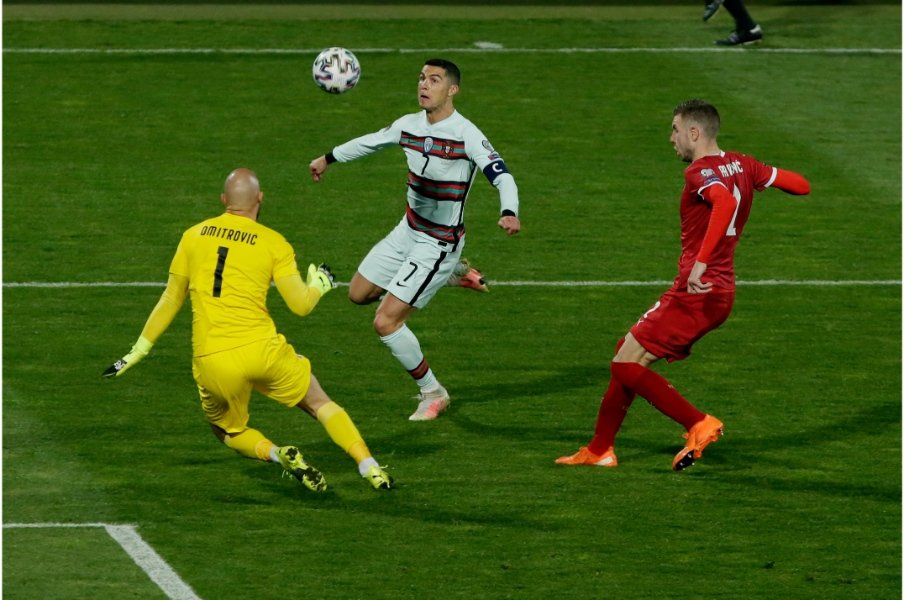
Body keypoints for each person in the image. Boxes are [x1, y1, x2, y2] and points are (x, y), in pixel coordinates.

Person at [102, 168, 393, 491]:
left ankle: (278, 454)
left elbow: (171, 298)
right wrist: (318, 285)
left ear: (223, 199)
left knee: (226, 430)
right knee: (318, 402)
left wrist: (138, 350)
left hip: (214, 358)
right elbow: (300, 305)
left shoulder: (193, 236)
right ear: (260, 198)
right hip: (263, 350)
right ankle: (369, 466)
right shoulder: (274, 243)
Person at [557, 99, 810, 471]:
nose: (671, 138)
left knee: (624, 365)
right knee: (628, 355)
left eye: (675, 129)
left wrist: (701, 264)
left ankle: (698, 423)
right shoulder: (744, 164)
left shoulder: (698, 173)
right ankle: (600, 449)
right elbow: (802, 186)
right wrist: (759, 176)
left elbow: (723, 204)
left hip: (696, 292)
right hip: (720, 293)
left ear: (694, 132)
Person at [309, 58, 521, 421]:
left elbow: (503, 176)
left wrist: (509, 211)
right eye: (422, 78)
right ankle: (454, 274)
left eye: (434, 80)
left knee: (385, 322)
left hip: (438, 243)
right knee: (358, 294)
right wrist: (329, 158)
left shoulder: (466, 134)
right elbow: (371, 142)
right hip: (407, 230)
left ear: (452, 90)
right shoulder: (409, 125)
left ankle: (433, 391)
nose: (424, 85)